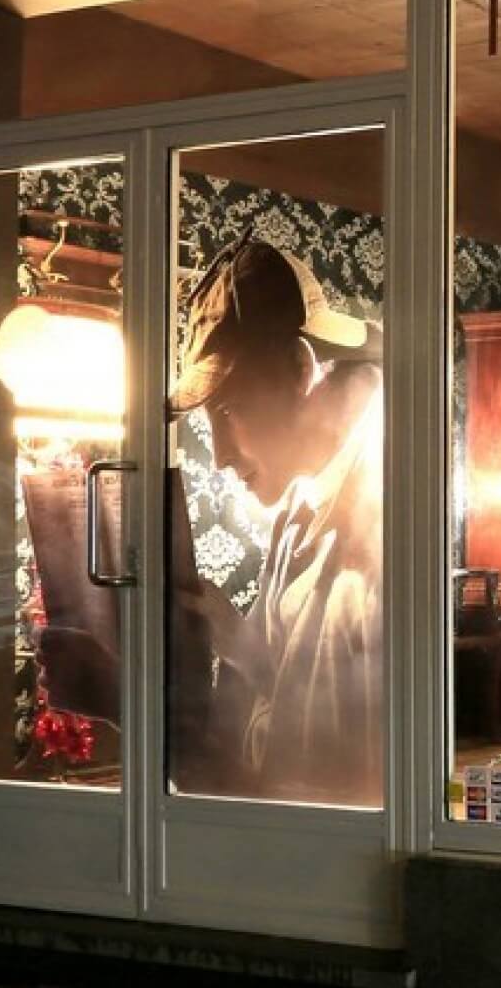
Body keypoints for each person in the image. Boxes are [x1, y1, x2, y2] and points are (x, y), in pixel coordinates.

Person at [168, 235, 385, 806]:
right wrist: (223, 632)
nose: (218, 455)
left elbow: (356, 775)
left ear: (298, 368)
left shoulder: (386, 518)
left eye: (229, 411)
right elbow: (284, 687)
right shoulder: (300, 503)